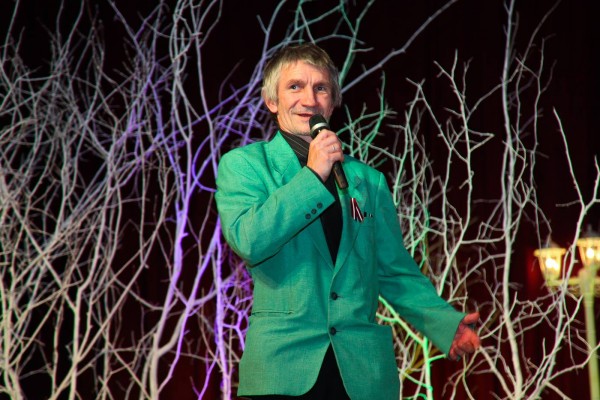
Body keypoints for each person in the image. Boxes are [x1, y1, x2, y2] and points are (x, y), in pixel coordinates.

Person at [215, 43, 480, 400]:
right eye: (295, 86)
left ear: (333, 101)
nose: (309, 99)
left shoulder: (367, 181)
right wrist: (313, 175)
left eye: (321, 88)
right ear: (271, 101)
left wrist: (444, 323)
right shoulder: (245, 165)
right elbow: (249, 239)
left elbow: (392, 270)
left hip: (362, 374)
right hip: (283, 369)